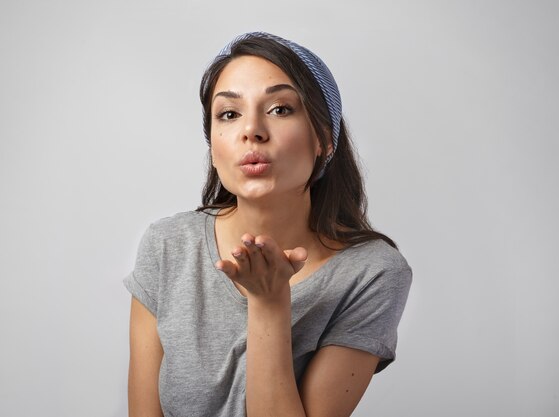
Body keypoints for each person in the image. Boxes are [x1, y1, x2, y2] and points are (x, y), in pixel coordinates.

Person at [124, 32, 412, 417]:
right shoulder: (167, 244)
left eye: (280, 109)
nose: (252, 130)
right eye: (229, 114)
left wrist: (268, 302)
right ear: (212, 147)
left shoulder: (372, 273)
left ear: (324, 139)